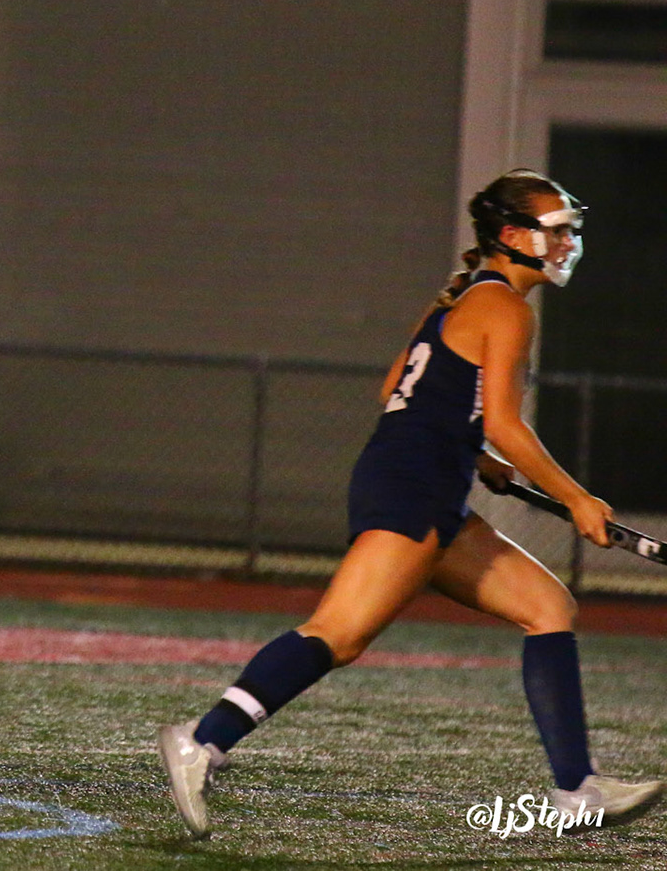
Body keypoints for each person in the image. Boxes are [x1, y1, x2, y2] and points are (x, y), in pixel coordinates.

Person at [159, 170, 662, 838]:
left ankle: (576, 790)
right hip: (413, 486)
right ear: (514, 236)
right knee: (338, 633)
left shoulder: (466, 299)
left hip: (424, 480)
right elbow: (505, 423)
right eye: (558, 230)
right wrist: (576, 499)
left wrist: (473, 456)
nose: (570, 243)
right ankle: (202, 740)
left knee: (548, 607)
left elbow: (398, 388)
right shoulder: (507, 308)